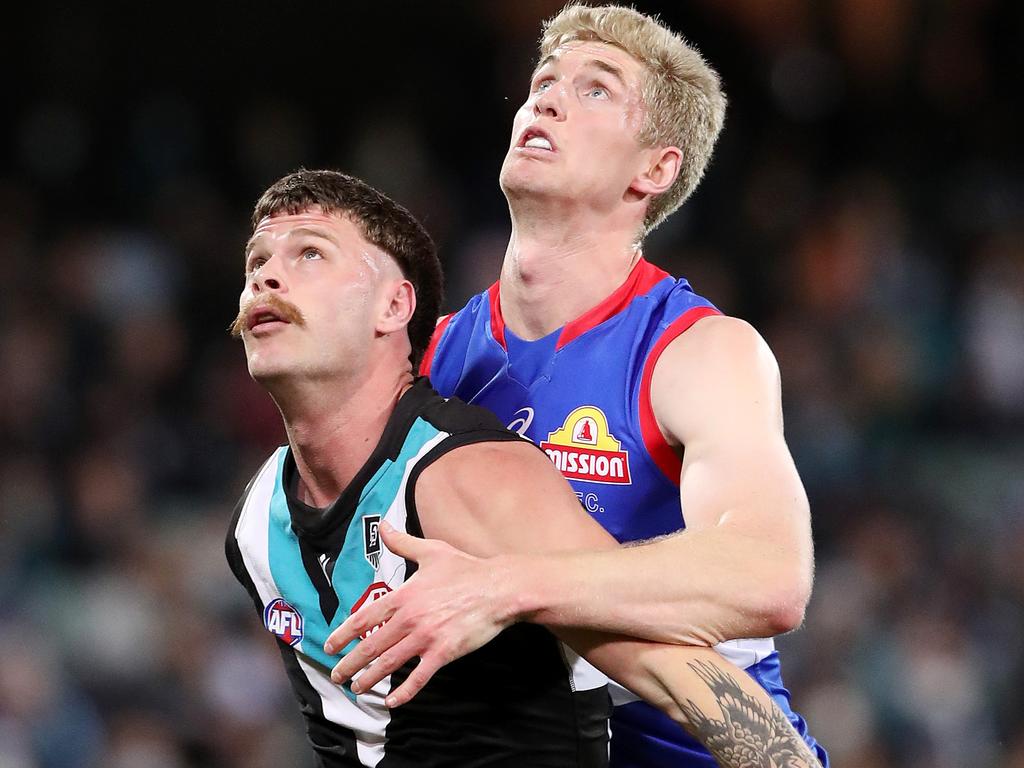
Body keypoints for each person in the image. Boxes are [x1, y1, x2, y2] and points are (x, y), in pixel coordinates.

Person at [324, 5, 829, 767]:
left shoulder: (697, 352)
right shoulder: (433, 357)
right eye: (543, 82)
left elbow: (770, 577)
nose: (545, 100)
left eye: (596, 90)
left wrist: (508, 585)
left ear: (653, 169)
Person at [226, 169, 822, 767]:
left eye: (309, 254)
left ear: (394, 305)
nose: (265, 278)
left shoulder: (471, 478)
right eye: (256, 262)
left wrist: (506, 586)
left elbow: (678, 676)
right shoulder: (257, 522)